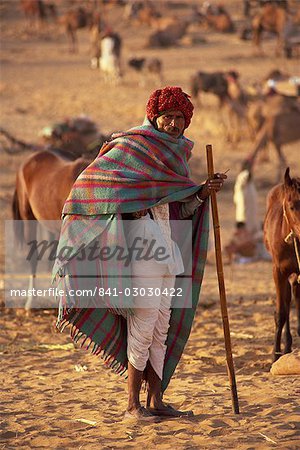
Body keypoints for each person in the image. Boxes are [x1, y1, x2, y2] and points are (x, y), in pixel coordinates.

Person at [53, 86, 227, 421]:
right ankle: (132, 405)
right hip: (138, 250)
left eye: (180, 118)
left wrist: (202, 191)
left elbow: (181, 206)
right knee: (143, 325)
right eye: (168, 117)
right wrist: (128, 207)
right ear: (155, 116)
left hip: (166, 248)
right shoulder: (131, 145)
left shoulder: (176, 156)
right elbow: (90, 187)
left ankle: (156, 400)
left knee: (162, 326)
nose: (174, 124)